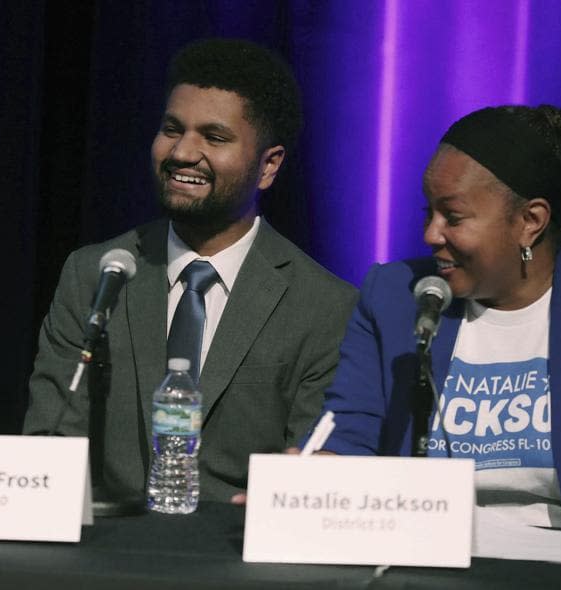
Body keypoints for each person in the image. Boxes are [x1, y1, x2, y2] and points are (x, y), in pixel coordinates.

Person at [317, 104, 561, 565]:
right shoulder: (395, 295)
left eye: (452, 217)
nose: (430, 234)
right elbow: (348, 438)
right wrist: (309, 484)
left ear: (529, 222)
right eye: (428, 213)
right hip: (423, 562)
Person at [23, 38, 357, 502]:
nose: (182, 152)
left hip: (238, 556)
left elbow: (311, 478)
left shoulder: (324, 305)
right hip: (108, 556)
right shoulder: (95, 274)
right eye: (172, 129)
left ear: (268, 166)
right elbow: (50, 444)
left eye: (214, 137)